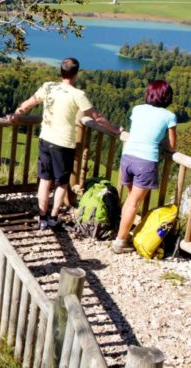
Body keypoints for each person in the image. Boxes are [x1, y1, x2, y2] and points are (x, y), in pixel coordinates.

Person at [11, 57, 121, 229]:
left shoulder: (48, 87)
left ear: (61, 72)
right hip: (63, 145)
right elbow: (97, 118)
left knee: (45, 180)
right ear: (76, 74)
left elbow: (28, 104)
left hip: (45, 140)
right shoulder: (78, 95)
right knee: (61, 183)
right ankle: (53, 217)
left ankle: (42, 217)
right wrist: (115, 130)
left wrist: (16, 114)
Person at [112, 80, 177, 253]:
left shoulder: (137, 109)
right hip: (146, 161)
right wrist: (162, 141)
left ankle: (122, 234)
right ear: (167, 97)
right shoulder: (169, 116)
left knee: (130, 200)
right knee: (133, 203)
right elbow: (172, 146)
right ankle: (119, 242)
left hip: (127, 158)